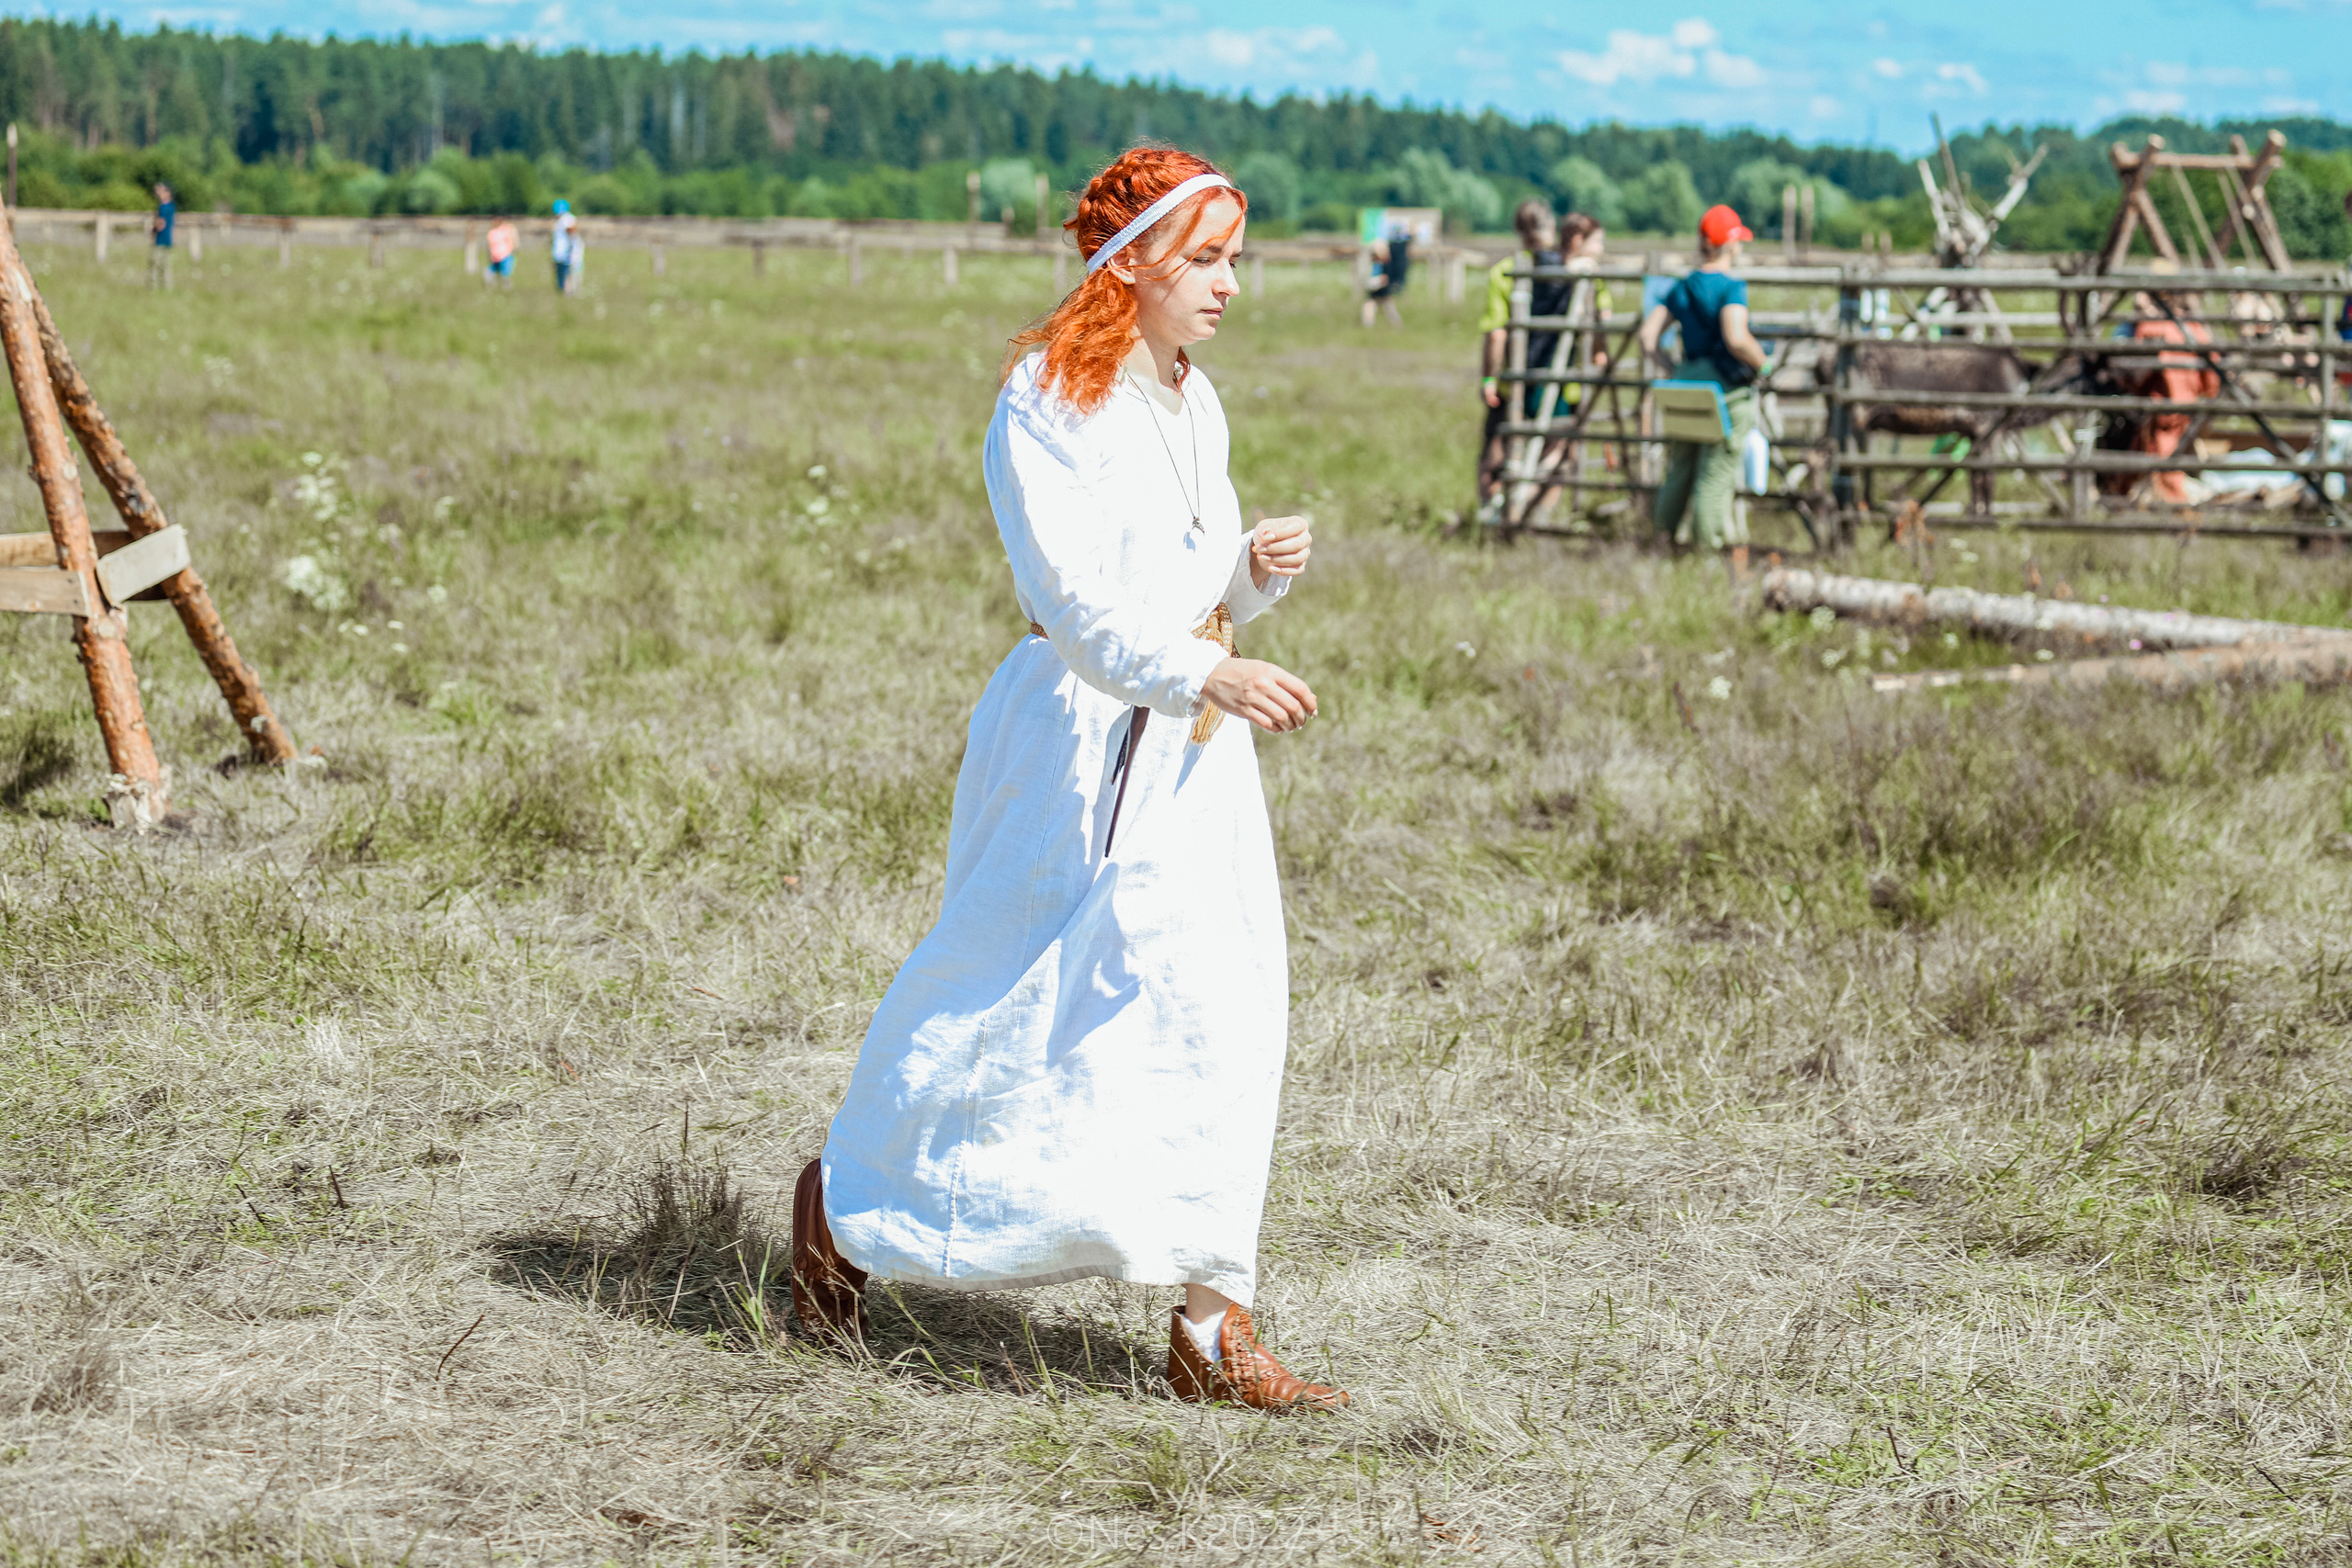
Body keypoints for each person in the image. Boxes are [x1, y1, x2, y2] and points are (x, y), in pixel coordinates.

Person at [794, 147, 1348, 1412]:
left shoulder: (1194, 398)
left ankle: (1210, 1324)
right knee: (1006, 991)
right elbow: (1079, 603)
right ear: (1133, 260)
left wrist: (1247, 579)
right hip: (1075, 741)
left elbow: (1183, 581)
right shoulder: (1047, 396)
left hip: (1192, 745)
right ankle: (843, 1207)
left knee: (1221, 1005)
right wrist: (1203, 668)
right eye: (1206, 259)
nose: (1230, 285)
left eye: (1234, 259)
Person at [1638, 204, 1767, 566]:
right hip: (1723, 393)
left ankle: (1660, 545)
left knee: (1679, 469)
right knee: (1715, 474)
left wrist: (1673, 368)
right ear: (1731, 245)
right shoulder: (1731, 287)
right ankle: (1706, 557)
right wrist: (1763, 362)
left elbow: (1647, 337)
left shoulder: (1682, 287)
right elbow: (1736, 337)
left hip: (1685, 386)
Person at [1476, 201, 1566, 524]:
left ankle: (1493, 511)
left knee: (1497, 446)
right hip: (1558, 377)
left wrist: (1489, 378)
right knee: (1557, 449)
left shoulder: (1505, 271)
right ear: (1551, 227)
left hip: (1514, 376)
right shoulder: (1570, 269)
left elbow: (1497, 334)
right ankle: (1536, 512)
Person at [1361, 222, 1410, 328]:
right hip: (1380, 283)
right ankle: (1395, 324)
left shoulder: (1383, 262)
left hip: (1380, 283)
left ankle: (1372, 324)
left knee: (1379, 304)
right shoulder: (1382, 262)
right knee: (1383, 304)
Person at [147, 182, 175, 291]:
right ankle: (167, 287)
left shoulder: (163, 207)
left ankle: (153, 288)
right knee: (166, 266)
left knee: (155, 264)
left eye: (160, 192)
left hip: (160, 240)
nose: (158, 194)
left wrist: (153, 228)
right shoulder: (172, 206)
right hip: (168, 239)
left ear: (167, 193)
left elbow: (161, 223)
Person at [550, 200, 582, 295]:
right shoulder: (560, 220)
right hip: (561, 252)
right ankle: (564, 290)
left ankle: (568, 291)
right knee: (561, 272)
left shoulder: (567, 218)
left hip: (566, 251)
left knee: (567, 272)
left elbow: (571, 230)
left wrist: (571, 248)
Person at [483, 217, 518, 288]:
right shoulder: (492, 233)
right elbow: (489, 245)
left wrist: (513, 248)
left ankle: (506, 287)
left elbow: (512, 233)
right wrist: (489, 256)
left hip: (505, 255)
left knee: (505, 274)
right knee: (490, 272)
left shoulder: (505, 230)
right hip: (495, 257)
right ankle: (493, 285)